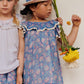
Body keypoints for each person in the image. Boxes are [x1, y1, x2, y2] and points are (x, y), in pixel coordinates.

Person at [20, 0, 81, 84]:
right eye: (45, 5)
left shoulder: (53, 25)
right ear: (32, 7)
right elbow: (20, 51)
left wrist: (75, 26)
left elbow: (67, 44)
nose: (49, 8)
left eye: (50, 5)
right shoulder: (24, 26)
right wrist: (19, 74)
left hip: (51, 73)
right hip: (31, 73)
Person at [0, 0, 24, 84]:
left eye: (9, 0)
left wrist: (19, 73)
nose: (5, 4)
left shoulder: (19, 21)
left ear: (15, 2)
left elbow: (21, 50)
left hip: (13, 70)